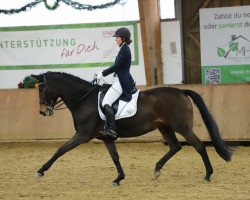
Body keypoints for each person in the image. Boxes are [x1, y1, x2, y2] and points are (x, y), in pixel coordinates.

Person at [96, 27, 135, 140]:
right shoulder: (123, 48)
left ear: (123, 38)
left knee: (106, 102)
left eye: (117, 37)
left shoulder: (125, 49)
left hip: (121, 82)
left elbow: (117, 66)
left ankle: (112, 129)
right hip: (118, 80)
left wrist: (103, 73)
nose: (116, 39)